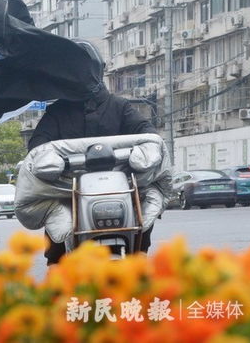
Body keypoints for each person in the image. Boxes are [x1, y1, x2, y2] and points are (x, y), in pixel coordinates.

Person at [27, 40, 158, 266]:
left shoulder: (120, 107)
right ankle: (56, 273)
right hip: (70, 191)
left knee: (145, 206)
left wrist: (144, 151)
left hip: (119, 189)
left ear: (96, 71)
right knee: (56, 228)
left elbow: (147, 133)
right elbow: (38, 144)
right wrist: (49, 159)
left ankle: (140, 258)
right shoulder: (58, 111)